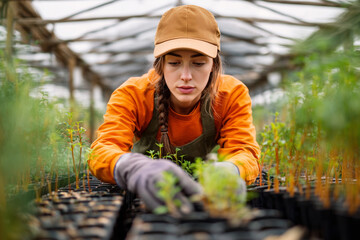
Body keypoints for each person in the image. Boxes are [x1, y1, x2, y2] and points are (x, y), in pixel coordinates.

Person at [89, 5, 260, 212]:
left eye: (198, 63)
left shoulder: (231, 95)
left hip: (204, 197)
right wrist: (133, 168)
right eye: (174, 62)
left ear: (213, 65)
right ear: (160, 65)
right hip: (148, 202)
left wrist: (231, 169)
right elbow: (102, 150)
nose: (186, 76)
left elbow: (244, 150)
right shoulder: (133, 94)